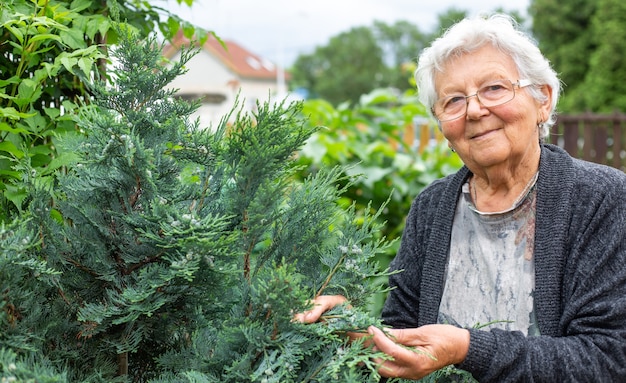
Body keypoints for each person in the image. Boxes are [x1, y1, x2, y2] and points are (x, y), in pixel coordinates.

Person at [296, 13, 626, 382]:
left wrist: (469, 349)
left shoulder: (603, 199)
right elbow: (403, 336)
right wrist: (356, 329)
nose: (473, 110)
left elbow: (609, 358)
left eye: (494, 88)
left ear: (543, 100)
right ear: (442, 126)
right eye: (452, 100)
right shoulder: (432, 207)